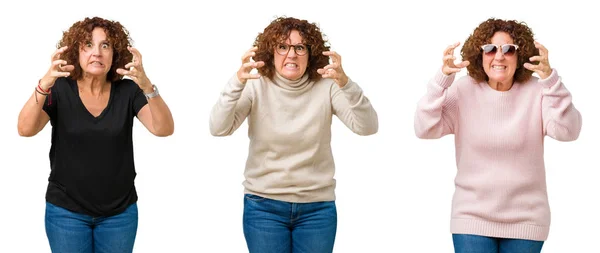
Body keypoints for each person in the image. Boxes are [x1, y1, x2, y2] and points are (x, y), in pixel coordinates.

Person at [209, 16, 378, 253]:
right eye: (283, 46)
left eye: (300, 47)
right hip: (263, 206)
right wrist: (236, 82)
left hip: (317, 208)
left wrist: (346, 84)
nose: (291, 54)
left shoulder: (327, 85)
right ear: (271, 51)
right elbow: (218, 127)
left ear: (311, 53)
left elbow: (367, 127)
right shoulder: (256, 84)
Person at [414, 18, 582, 253]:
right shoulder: (463, 90)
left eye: (508, 49)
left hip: (527, 219)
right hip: (471, 217)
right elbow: (424, 128)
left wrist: (550, 81)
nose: (499, 56)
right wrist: (441, 82)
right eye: (490, 49)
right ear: (479, 55)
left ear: (520, 55)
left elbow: (569, 131)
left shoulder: (538, 92)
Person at [17, 17, 174, 253]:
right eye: (88, 45)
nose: (97, 53)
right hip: (66, 213)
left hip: (119, 215)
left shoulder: (128, 92)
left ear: (115, 54)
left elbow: (163, 129)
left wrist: (147, 86)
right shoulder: (59, 89)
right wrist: (45, 83)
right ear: (76, 53)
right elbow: (25, 129)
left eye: (105, 45)